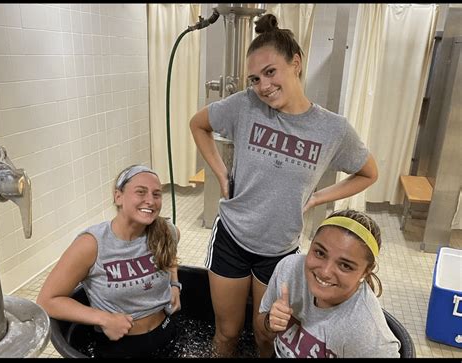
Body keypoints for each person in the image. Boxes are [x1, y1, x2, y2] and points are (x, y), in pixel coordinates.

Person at [189, 13, 378, 358]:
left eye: (270, 72)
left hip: (279, 253)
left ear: (296, 63)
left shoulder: (332, 129)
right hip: (231, 237)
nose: (263, 85)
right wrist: (220, 173)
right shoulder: (245, 105)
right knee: (227, 334)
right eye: (255, 78)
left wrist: (320, 195)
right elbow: (198, 124)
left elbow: (368, 173)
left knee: (267, 337)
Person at [37, 165, 182, 358]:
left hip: (166, 332)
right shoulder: (92, 244)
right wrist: (104, 319)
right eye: (141, 192)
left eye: (157, 194)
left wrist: (174, 285)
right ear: (118, 197)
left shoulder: (167, 231)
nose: (150, 201)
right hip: (120, 346)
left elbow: (170, 256)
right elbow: (47, 301)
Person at [258, 209, 401, 358]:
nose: (325, 272)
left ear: (366, 271)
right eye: (320, 253)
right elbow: (261, 328)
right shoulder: (289, 270)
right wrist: (270, 322)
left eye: (345, 266)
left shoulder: (367, 332)